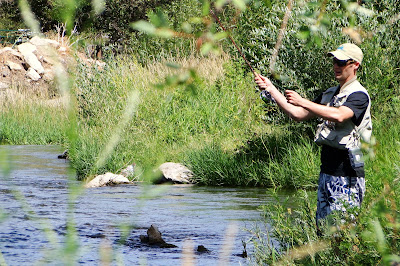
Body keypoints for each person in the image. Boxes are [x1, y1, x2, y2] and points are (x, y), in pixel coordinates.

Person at [255, 43, 372, 226]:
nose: (336, 66)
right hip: (327, 170)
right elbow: (298, 114)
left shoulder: (359, 95)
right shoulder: (330, 93)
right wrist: (271, 89)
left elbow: (340, 115)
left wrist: (303, 101)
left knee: (343, 233)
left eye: (341, 62)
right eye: (334, 61)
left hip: (348, 173)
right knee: (323, 229)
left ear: (355, 65)